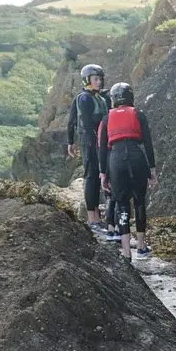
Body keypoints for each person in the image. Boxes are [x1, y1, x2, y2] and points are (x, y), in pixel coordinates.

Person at [97, 82, 158, 260]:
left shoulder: (107, 118)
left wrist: (103, 173)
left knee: (122, 204)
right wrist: (152, 169)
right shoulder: (138, 114)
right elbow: (147, 143)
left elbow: (102, 149)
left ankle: (126, 253)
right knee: (139, 202)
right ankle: (141, 247)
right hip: (136, 157)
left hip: (116, 160)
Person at [66, 63, 111, 233]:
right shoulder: (83, 98)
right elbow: (76, 122)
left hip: (101, 140)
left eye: (100, 79)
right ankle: (93, 219)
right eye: (95, 79)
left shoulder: (101, 98)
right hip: (90, 141)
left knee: (102, 176)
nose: (99, 82)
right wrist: (72, 142)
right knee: (91, 176)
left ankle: (102, 218)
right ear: (87, 80)